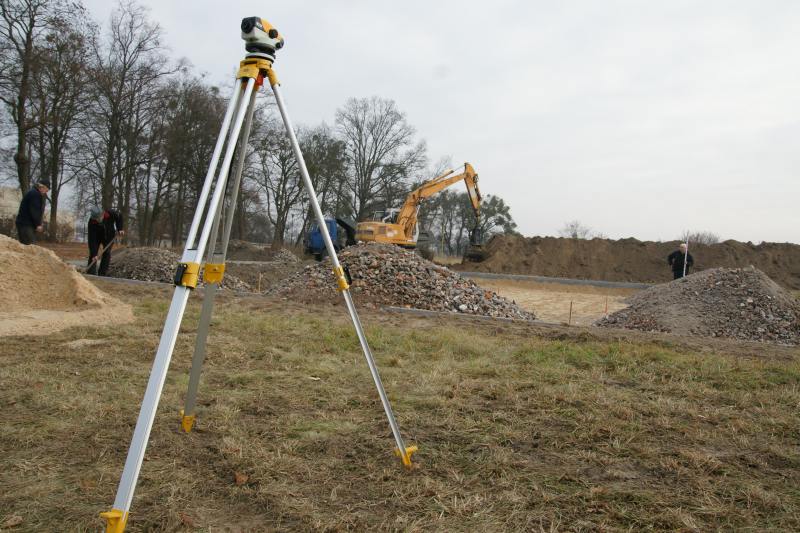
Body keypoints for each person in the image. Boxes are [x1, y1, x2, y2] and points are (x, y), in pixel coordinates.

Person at [87, 206, 124, 276]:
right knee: (93, 255)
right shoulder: (91, 222)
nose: (97, 220)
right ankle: (90, 273)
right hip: (97, 237)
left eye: (98, 218)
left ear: (102, 214)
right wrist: (94, 254)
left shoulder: (110, 213)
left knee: (107, 253)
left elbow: (119, 216)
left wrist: (120, 228)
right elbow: (92, 240)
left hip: (109, 236)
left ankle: (102, 273)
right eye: (96, 219)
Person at [15, 179, 50, 244]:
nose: (45, 192)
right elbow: (34, 210)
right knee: (31, 247)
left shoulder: (33, 192)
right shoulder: (35, 195)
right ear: (42, 187)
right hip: (26, 224)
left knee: (27, 246)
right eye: (46, 190)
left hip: (24, 223)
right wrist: (38, 224)